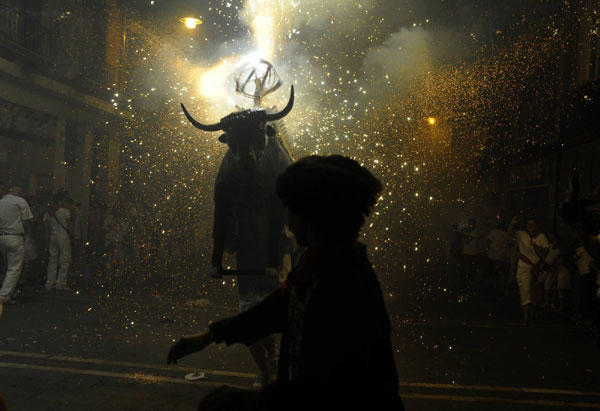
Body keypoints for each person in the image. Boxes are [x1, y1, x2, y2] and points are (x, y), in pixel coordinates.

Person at [168, 155, 404, 411]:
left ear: (312, 217)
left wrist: (253, 400)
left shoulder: (345, 284)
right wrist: (210, 335)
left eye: (291, 210)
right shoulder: (319, 263)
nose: (287, 220)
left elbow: (329, 387)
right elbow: (278, 308)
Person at [509, 217, 550, 325]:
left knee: (534, 292)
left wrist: (535, 246)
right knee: (525, 290)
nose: (530, 226)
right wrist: (512, 223)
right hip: (524, 267)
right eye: (528, 224)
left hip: (537, 269)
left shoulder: (542, 237)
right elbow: (510, 232)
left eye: (532, 224)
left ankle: (532, 313)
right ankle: (526, 316)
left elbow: (544, 253)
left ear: (537, 226)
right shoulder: (522, 235)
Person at [0, 185, 33, 304]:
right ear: (13, 191)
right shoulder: (19, 201)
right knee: (14, 269)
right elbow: (26, 221)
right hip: (14, 237)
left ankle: (6, 292)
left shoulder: (1, 202)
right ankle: (3, 296)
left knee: (4, 267)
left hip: (1, 236)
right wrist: (27, 232)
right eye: (20, 192)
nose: (21, 194)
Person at [44, 192, 72, 291]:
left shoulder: (48, 211)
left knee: (52, 260)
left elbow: (46, 226)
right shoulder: (64, 210)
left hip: (53, 236)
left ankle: (50, 283)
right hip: (63, 235)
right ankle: (60, 284)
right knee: (64, 259)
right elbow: (69, 224)